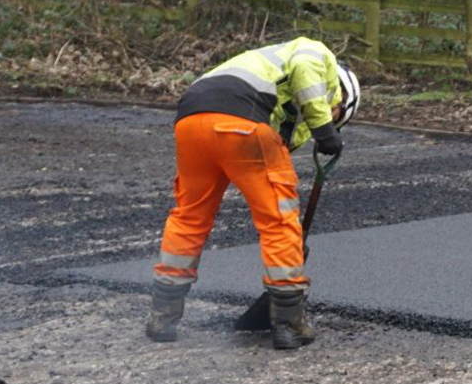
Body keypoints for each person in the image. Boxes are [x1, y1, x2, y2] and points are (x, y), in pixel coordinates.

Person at [145, 37, 359, 349]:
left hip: (191, 118)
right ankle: (289, 322)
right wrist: (325, 130)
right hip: (243, 119)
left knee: (189, 216)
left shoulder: (269, 69)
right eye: (337, 113)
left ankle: (162, 317)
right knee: (279, 219)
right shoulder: (315, 53)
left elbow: (278, 140)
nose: (331, 116)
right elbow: (306, 69)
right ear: (341, 96)